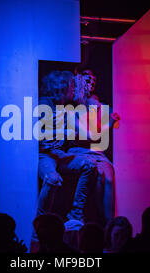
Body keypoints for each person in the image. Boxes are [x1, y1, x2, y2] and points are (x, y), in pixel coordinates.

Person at [37, 70, 98, 223]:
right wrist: (69, 130)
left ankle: (75, 216)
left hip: (58, 154)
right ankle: (39, 225)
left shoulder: (65, 107)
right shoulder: (45, 103)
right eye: (72, 86)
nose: (74, 90)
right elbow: (46, 133)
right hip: (44, 155)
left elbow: (89, 134)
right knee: (52, 179)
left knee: (88, 165)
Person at [69, 68, 120, 225]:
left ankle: (109, 225)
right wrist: (109, 123)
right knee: (98, 175)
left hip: (97, 152)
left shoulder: (98, 105)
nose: (89, 84)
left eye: (92, 81)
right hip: (80, 151)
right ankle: (101, 221)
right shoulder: (72, 106)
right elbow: (89, 136)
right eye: (86, 80)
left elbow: (98, 136)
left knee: (109, 178)